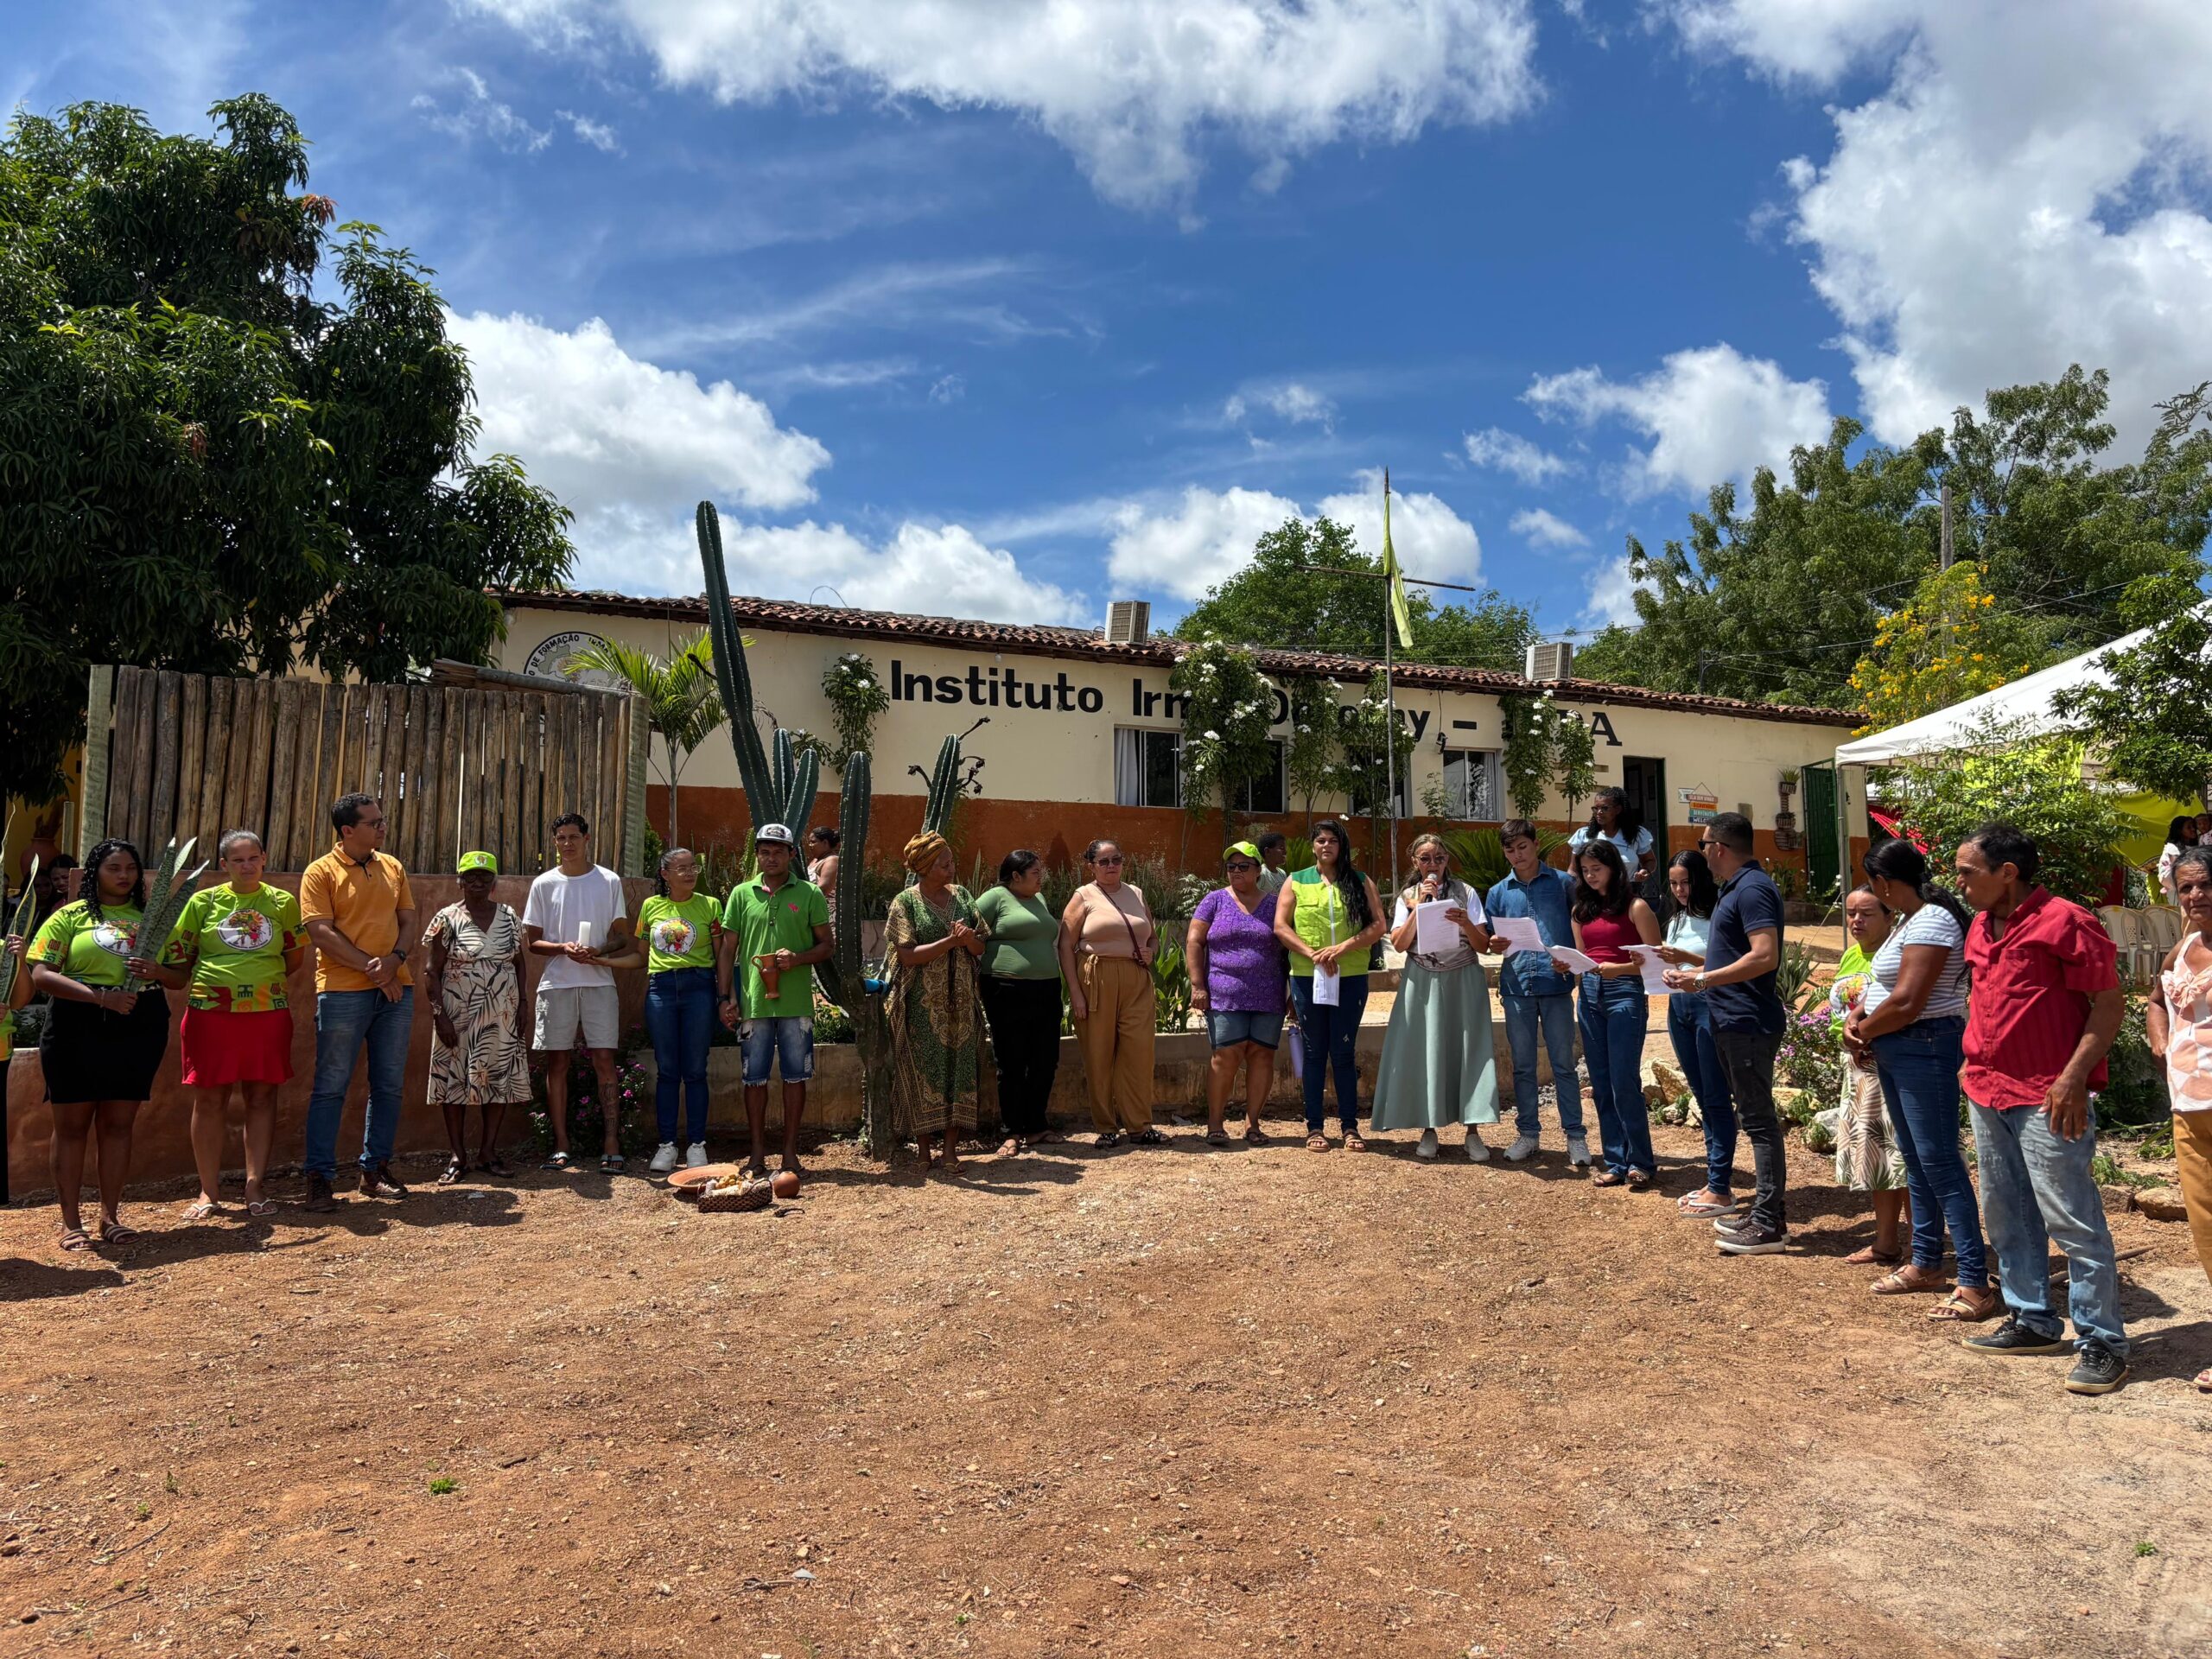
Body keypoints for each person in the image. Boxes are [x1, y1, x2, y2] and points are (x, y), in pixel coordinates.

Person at [1952, 822, 2129, 1394]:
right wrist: (1969, 1058)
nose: (1958, 882)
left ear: (2007, 873)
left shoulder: (2069, 922)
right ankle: (2032, 1317)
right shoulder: (1981, 924)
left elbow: (2107, 1005)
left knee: (2072, 1220)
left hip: (2048, 1095)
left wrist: (2074, 1079)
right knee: (2005, 1213)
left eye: (1967, 872)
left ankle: (2103, 1343)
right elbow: (1985, 995)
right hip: (1987, 1088)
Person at [1847, 841, 1993, 1318]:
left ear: (1884, 883)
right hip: (1899, 1047)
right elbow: (1886, 986)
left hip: (1923, 1046)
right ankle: (1926, 1261)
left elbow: (1910, 999)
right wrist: (1859, 1020)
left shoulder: (1931, 920)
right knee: (1917, 1160)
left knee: (1941, 1164)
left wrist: (1863, 1031)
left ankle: (1973, 1279)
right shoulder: (1911, 921)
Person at [18, 839, 171, 1249]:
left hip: (139, 1020)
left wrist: (157, 968)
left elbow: (178, 975)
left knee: (119, 1124)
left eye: (131, 869)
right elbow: (42, 974)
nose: (124, 876)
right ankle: (71, 1222)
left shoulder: (153, 920)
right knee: (71, 1127)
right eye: (113, 868)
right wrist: (99, 997)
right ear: (93, 874)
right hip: (77, 1022)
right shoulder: (69, 915)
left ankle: (111, 1216)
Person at [154, 830, 307, 1220]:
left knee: (261, 1097)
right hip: (210, 1014)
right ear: (224, 865)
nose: (246, 865)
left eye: (252, 858)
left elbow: (294, 958)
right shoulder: (202, 902)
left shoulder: (283, 902)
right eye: (237, 860)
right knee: (209, 1100)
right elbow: (180, 955)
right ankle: (209, 1190)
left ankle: (255, 1184)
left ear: (264, 859)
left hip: (266, 1014)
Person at [1666, 812, 1789, 1255]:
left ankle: (1769, 1223)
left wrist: (1703, 981)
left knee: (1758, 1119)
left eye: (1703, 844)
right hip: (1732, 1018)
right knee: (1753, 1116)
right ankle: (1765, 1213)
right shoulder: (1737, 889)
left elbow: (1764, 956)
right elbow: (1737, 954)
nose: (1702, 852)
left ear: (1718, 847)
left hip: (1746, 1021)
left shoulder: (1753, 889)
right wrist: (1693, 965)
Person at [299, 793, 417, 1211]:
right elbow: (320, 932)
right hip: (342, 991)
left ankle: (376, 1169)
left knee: (388, 1086)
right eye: (374, 823)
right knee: (331, 1087)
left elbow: (407, 920)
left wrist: (395, 962)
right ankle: (319, 1177)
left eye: (382, 821)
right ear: (348, 831)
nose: (382, 828)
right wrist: (376, 969)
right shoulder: (320, 872)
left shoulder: (393, 867)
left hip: (396, 989)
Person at [1373, 833, 1498, 1160]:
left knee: (1469, 1050)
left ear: (1447, 861)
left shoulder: (1466, 892)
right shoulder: (1407, 896)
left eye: (1439, 858)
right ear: (1415, 862)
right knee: (1427, 1051)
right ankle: (1429, 1129)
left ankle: (1473, 1130)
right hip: (1423, 979)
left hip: (1463, 978)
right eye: (1425, 859)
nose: (1433, 865)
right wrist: (1418, 909)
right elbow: (1399, 945)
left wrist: (1466, 922)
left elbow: (1483, 945)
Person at [718, 823, 834, 1175]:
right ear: (757, 855)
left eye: (778, 851)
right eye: (765, 852)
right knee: (753, 1079)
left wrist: (796, 959)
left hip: (796, 1003)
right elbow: (727, 950)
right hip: (753, 1003)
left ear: (792, 855)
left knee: (795, 1077)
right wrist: (725, 997)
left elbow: (827, 946)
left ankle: (789, 1154)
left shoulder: (810, 895)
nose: (771, 858)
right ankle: (756, 1154)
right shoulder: (741, 894)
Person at [524, 811, 635, 1174]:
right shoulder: (544, 884)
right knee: (558, 1064)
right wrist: (563, 949)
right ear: (555, 842)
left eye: (573, 837)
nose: (567, 844)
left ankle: (611, 1143)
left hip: (599, 982)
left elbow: (622, 936)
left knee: (604, 1060)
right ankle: (561, 1145)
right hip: (557, 984)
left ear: (587, 839)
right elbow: (533, 942)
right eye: (561, 838)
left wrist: (598, 952)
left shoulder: (608, 881)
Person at [1273, 819, 1386, 1154]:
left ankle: (1350, 1126)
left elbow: (1379, 924)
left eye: (1332, 841)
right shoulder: (1296, 881)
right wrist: (1313, 954)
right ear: (1312, 846)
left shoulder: (1361, 881)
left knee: (1343, 1051)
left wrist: (1342, 948)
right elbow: (1280, 926)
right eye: (1320, 840)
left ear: (1342, 846)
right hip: (1309, 977)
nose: (1326, 846)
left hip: (1349, 975)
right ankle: (1314, 1127)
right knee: (1313, 1051)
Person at [421, 850, 530, 1184]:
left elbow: (519, 961)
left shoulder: (509, 915)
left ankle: (488, 1152)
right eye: (470, 876)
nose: (478, 882)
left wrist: (523, 1001)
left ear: (494, 881)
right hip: (458, 1013)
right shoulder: (447, 918)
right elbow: (431, 971)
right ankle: (458, 1155)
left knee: (498, 1079)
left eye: (485, 877)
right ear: (460, 880)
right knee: (454, 1081)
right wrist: (440, 1017)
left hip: (502, 1012)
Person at [2147, 846, 2212, 1393]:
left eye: (2206, 885)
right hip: (2189, 1108)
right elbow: (2154, 999)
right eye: (2187, 887)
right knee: (2207, 1226)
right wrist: (2162, 1041)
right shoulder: (2184, 945)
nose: (2196, 896)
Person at [1486, 822, 1588, 1166]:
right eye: (1510, 850)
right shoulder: (1499, 892)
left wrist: (1573, 963)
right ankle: (1528, 1134)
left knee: (1563, 1065)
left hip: (1556, 985)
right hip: (1516, 987)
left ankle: (1575, 1137)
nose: (1518, 855)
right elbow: (1490, 937)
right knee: (1524, 1066)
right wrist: (1494, 943)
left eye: (1523, 847)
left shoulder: (1563, 884)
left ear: (1536, 844)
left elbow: (1581, 927)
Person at [884, 830, 987, 1172]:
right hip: (921, 1004)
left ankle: (950, 1151)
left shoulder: (962, 896)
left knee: (959, 1072)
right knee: (924, 1069)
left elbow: (980, 947)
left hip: (961, 1002)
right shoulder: (905, 903)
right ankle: (923, 1151)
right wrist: (949, 943)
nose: (951, 869)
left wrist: (969, 939)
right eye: (944, 865)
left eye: (952, 862)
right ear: (925, 868)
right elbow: (907, 955)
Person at [1571, 839, 1663, 1189]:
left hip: (1625, 993)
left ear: (1614, 868)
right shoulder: (1581, 910)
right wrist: (1566, 963)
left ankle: (1641, 1162)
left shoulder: (1636, 906)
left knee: (1624, 1082)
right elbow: (1581, 956)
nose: (1591, 875)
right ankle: (1614, 1160)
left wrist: (1620, 969)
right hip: (1590, 995)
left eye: (1597, 869)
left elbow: (1655, 963)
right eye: (1585, 870)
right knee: (1601, 1083)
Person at [1059, 839, 1162, 1148]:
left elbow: (1153, 937)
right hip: (1096, 978)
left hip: (1136, 978)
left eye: (1116, 859)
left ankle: (1139, 1126)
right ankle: (1106, 1127)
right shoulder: (1083, 896)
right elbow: (1065, 945)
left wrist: (1151, 954)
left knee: (1139, 1053)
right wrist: (1075, 993)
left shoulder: (1136, 893)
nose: (1111, 866)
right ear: (1090, 866)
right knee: (1099, 1053)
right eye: (1103, 862)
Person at [1821, 887, 1904, 1261]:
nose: (1856, 921)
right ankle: (1886, 1241)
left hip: (1892, 1066)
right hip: (1858, 1070)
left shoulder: (1900, 955)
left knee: (1903, 1158)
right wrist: (1843, 1034)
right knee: (1877, 1160)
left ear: (1891, 917)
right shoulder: (1851, 955)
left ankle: (1923, 1246)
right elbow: (1838, 1012)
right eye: (1851, 913)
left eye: (1867, 914)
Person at [1187, 841, 1287, 1147]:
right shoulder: (1214, 900)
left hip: (1268, 994)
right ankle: (1215, 1124)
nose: (1236, 872)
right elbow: (1194, 941)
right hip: (1224, 993)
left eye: (1243, 866)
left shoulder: (1275, 904)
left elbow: (1288, 948)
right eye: (1231, 867)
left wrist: (1293, 992)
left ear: (1258, 870)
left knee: (1262, 1056)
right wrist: (1197, 984)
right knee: (1225, 1056)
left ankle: (1252, 1123)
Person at [1656, 849, 1737, 1216]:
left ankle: (1720, 1186)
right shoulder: (1676, 917)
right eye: (1673, 883)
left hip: (1710, 1009)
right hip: (1679, 1010)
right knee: (1702, 1096)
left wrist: (1686, 961)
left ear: (1701, 878)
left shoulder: (1720, 911)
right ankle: (1713, 1179)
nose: (1679, 890)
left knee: (1717, 1096)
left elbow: (1731, 965)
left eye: (1685, 882)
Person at [973, 849, 1064, 1154]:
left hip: (1047, 988)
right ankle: (1011, 1130)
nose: (1042, 878)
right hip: (1006, 987)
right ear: (1016, 876)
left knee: (1045, 1059)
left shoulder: (1037, 898)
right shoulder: (994, 898)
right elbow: (968, 934)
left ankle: (1036, 1126)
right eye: (1036, 873)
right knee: (1011, 1060)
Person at [639, 846, 721, 1173]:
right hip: (660, 989)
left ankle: (697, 1143)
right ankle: (668, 1144)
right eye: (681, 868)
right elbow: (640, 953)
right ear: (665, 874)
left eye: (693, 867)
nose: (689, 873)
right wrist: (601, 959)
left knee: (697, 1069)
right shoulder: (650, 906)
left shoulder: (711, 906)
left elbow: (722, 955)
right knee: (668, 1069)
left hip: (699, 987)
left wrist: (725, 994)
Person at [1568, 787, 1655, 890]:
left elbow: (1649, 860)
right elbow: (1573, 870)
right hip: (1593, 895)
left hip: (1628, 893)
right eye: (1596, 808)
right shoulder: (1584, 835)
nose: (1599, 812)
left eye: (1604, 808)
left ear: (1618, 809)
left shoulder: (1635, 835)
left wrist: (1645, 871)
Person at [2158, 815, 2198, 906]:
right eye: (2189, 827)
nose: (2193, 829)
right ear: (2179, 831)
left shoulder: (2194, 847)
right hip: (2177, 888)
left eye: (2194, 827)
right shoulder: (2172, 847)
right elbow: (2178, 867)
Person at [806, 825, 841, 902]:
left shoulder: (832, 860)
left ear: (825, 843)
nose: (810, 845)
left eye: (813, 842)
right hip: (811, 903)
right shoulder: (816, 860)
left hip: (825, 908)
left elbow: (823, 888)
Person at [1255, 831, 1290, 897]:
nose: (1285, 852)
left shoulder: (1282, 873)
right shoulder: (1262, 874)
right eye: (1281, 848)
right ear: (1267, 851)